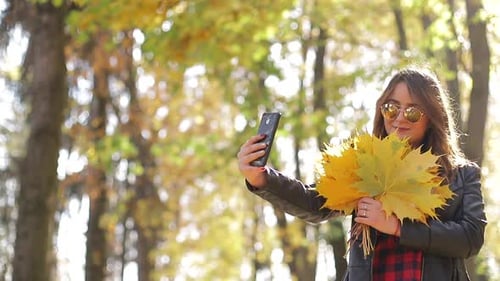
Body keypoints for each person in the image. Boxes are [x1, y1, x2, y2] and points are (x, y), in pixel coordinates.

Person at [237, 67, 487, 281]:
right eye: (391, 108)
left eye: (413, 111)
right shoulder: (364, 166)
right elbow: (315, 202)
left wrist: (397, 227)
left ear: (432, 117)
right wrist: (262, 178)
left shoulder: (461, 175)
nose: (400, 118)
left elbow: (471, 237)